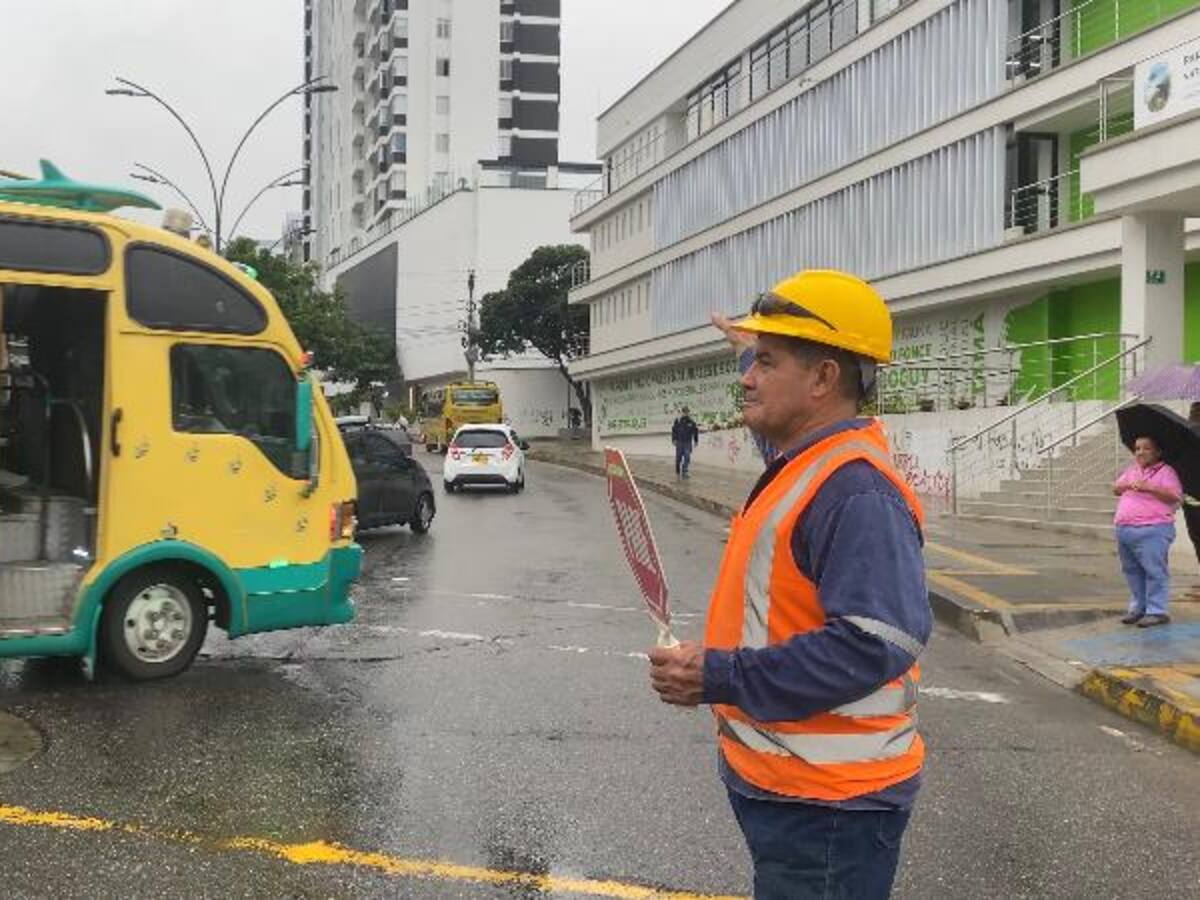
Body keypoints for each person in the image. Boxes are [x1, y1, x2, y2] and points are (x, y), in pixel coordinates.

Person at [649, 270, 930, 900]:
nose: (746, 377)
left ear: (825, 378)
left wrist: (718, 676)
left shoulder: (855, 492)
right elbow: (774, 403)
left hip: (831, 805)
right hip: (797, 790)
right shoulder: (806, 461)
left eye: (766, 362)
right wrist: (750, 346)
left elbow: (872, 643)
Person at [1113, 435, 1181, 628]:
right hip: (1125, 529)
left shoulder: (1166, 472)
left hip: (1153, 529)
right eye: (1137, 449)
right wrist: (1125, 485)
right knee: (1132, 571)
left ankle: (1157, 610)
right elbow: (1115, 489)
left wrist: (1150, 487)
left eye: (1146, 448)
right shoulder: (1132, 470)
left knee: (1154, 571)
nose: (1140, 452)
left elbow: (1175, 496)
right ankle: (1139, 607)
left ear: (1158, 452)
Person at [1183, 403, 1200, 567]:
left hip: (1190, 497)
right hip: (1191, 497)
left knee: (1196, 535)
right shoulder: (1186, 435)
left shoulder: (1184, 434)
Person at [670, 406, 700, 479]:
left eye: (687, 412)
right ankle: (677, 469)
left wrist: (696, 441)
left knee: (687, 457)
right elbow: (674, 431)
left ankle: (684, 471)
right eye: (684, 412)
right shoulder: (678, 421)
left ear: (688, 413)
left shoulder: (691, 422)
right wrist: (674, 439)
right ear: (682, 413)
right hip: (679, 442)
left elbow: (695, 432)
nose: (686, 413)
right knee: (678, 458)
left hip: (687, 443)